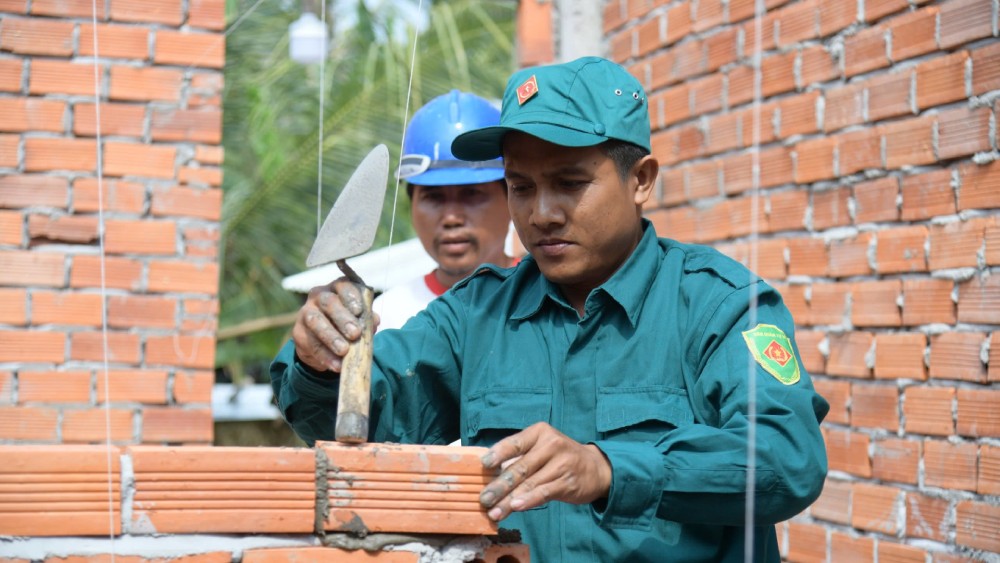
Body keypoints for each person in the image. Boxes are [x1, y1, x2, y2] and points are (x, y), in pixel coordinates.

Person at [272, 57, 829, 562]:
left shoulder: (720, 305)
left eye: (570, 184)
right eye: (519, 186)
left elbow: (786, 460)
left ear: (641, 180)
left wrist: (610, 470)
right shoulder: (476, 315)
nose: (541, 213)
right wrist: (320, 361)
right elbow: (362, 422)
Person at [376, 89, 514, 330]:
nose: (451, 218)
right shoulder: (386, 319)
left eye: (472, 194)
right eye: (434, 197)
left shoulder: (553, 300)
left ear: (513, 198)